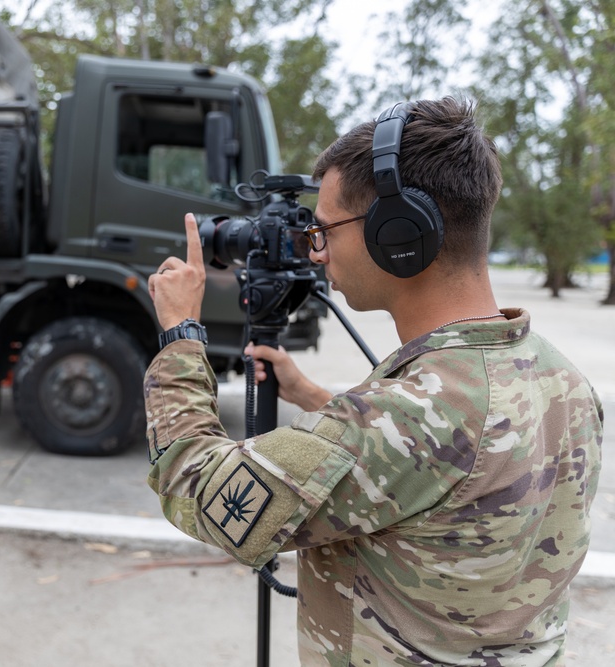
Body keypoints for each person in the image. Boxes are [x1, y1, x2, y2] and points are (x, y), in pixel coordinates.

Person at [145, 97, 604, 666]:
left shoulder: (392, 423)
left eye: (325, 228)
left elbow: (196, 488)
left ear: (400, 234)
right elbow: (440, 464)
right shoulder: (562, 378)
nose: (316, 251)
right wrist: (315, 399)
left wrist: (179, 334)